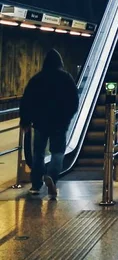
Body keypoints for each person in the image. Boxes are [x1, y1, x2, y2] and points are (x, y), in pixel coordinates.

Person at [20, 49, 79, 199]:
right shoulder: (66, 78)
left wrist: (25, 120)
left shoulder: (37, 79)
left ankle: (35, 185)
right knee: (58, 153)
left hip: (40, 123)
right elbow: (74, 101)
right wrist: (67, 117)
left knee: (38, 154)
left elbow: (27, 100)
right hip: (60, 123)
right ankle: (52, 176)